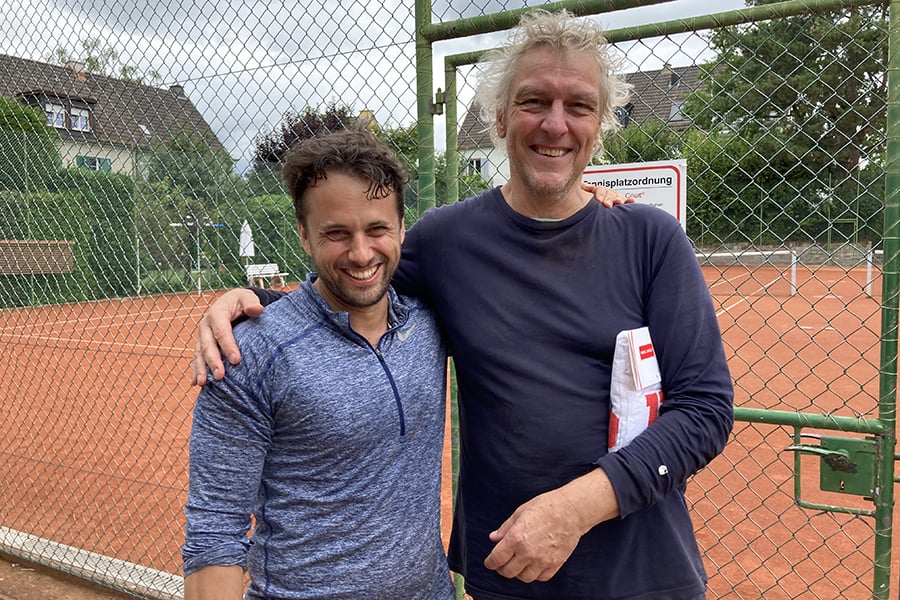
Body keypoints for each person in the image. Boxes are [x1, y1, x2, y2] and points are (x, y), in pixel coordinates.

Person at [191, 9, 734, 600]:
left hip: (643, 573)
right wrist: (253, 304)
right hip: (509, 571)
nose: (555, 123)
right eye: (533, 102)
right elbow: (359, 283)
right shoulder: (446, 240)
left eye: (578, 106)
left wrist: (572, 510)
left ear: (599, 124)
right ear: (499, 116)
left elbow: (705, 410)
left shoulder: (650, 238)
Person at [181, 129, 455, 600]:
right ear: (305, 236)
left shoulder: (431, 319)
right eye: (336, 233)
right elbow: (214, 532)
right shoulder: (249, 354)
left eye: (377, 229)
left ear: (402, 229)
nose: (361, 253)